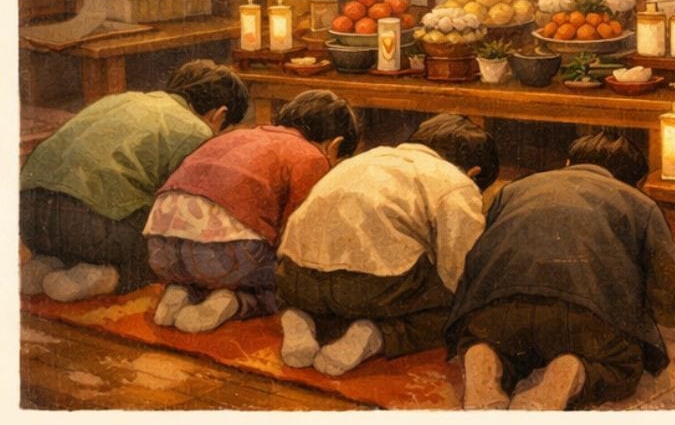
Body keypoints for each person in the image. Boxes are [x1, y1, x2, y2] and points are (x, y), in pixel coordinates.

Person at [445, 130, 675, 410]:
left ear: (568, 163)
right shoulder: (639, 202)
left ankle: (483, 360)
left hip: (498, 312)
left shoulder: (513, 190)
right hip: (585, 321)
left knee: (488, 339)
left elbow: (479, 256)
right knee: (624, 364)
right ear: (635, 182)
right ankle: (569, 371)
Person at [276, 113, 499, 376]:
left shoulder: (366, 157)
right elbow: (461, 269)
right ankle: (376, 335)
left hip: (296, 279)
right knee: (460, 310)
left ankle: (299, 318)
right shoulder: (456, 181)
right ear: (474, 173)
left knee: (326, 295)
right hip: (371, 289)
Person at [19, 59, 249, 302]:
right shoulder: (197, 130)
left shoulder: (121, 100)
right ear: (220, 114)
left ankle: (46, 262)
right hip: (91, 230)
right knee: (176, 249)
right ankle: (107, 276)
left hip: (29, 217)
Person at [143, 89, 360, 333]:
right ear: (334, 145)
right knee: (295, 284)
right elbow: (296, 234)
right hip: (226, 259)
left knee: (210, 265)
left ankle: (182, 289)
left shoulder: (238, 134)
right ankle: (234, 302)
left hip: (161, 250)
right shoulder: (312, 157)